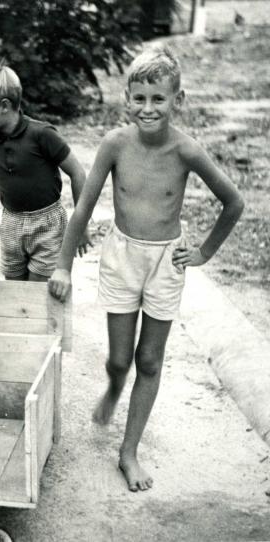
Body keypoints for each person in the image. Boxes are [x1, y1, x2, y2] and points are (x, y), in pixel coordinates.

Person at [48, 45, 244, 492]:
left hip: (165, 263)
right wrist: (63, 266)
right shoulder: (115, 144)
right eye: (140, 98)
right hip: (122, 257)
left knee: (149, 360)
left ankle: (128, 451)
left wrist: (204, 253)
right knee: (120, 359)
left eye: (159, 98)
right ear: (127, 99)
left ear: (179, 99)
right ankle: (114, 386)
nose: (148, 108)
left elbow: (233, 201)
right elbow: (83, 208)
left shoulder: (186, 150)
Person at [0, 62, 91, 283]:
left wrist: (81, 226)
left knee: (38, 297)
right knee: (14, 294)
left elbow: (78, 173)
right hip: (11, 223)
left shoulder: (42, 135)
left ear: (4, 106)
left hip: (47, 223)